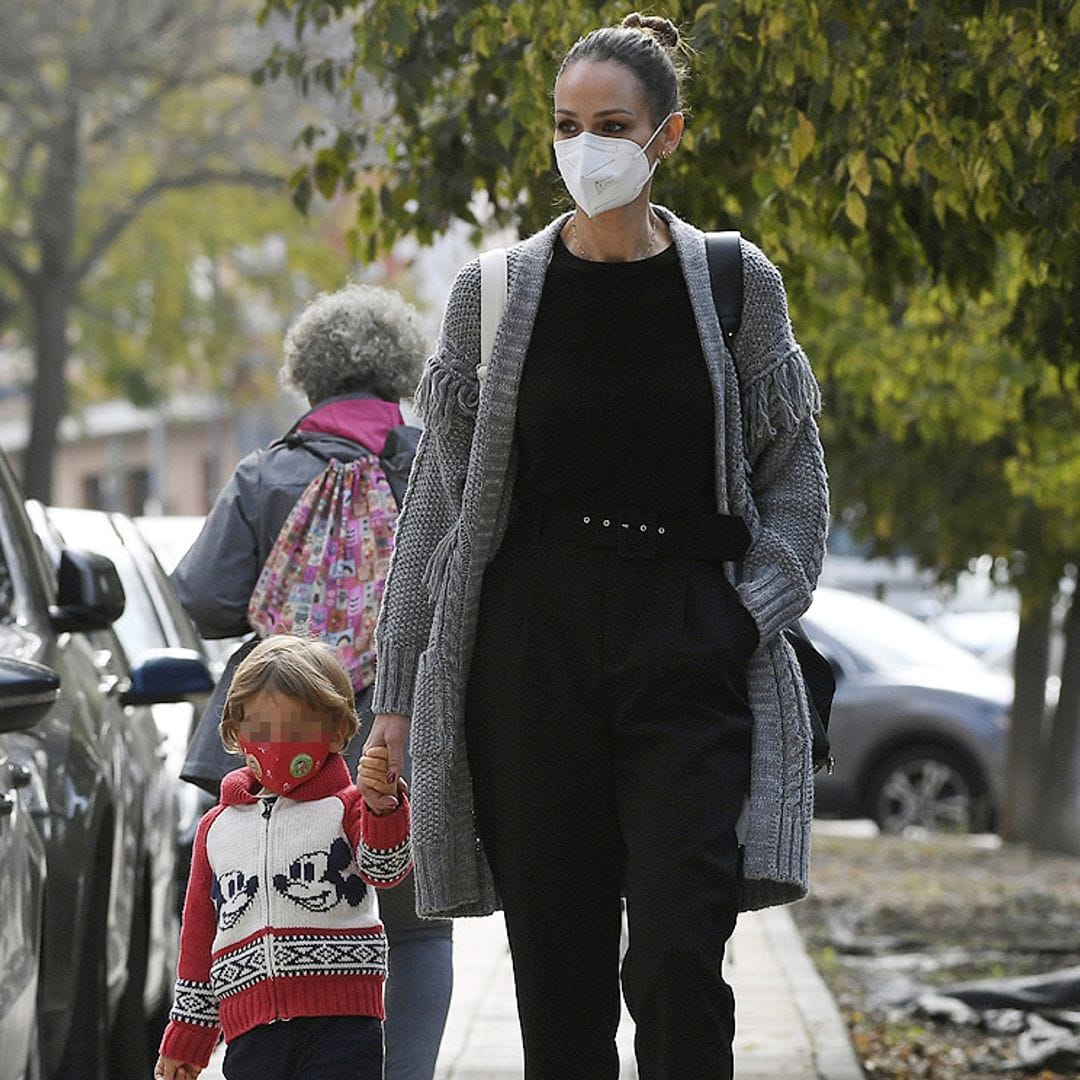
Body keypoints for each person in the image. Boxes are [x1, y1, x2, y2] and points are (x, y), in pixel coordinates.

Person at [359, 12, 829, 1080]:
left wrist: (743, 614)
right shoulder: (492, 296)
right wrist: (395, 700)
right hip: (532, 651)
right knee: (558, 980)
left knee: (676, 952)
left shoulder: (731, 282)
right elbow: (436, 512)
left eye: (611, 124)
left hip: (689, 639)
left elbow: (795, 479)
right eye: (566, 125)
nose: (587, 147)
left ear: (666, 136)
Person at [172, 284, 453, 1080]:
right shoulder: (436, 464)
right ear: (401, 373)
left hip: (276, 740)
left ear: (309, 377)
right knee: (418, 929)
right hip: (402, 727)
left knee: (271, 922)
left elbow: (203, 596)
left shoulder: (268, 475)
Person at [154, 635, 411, 1080]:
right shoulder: (217, 829)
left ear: (336, 732)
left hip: (343, 1022)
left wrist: (383, 807)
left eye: (297, 730)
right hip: (251, 1029)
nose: (277, 745)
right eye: (260, 731)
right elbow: (199, 937)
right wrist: (189, 1035)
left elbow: (385, 869)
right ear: (235, 734)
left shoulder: (347, 807)